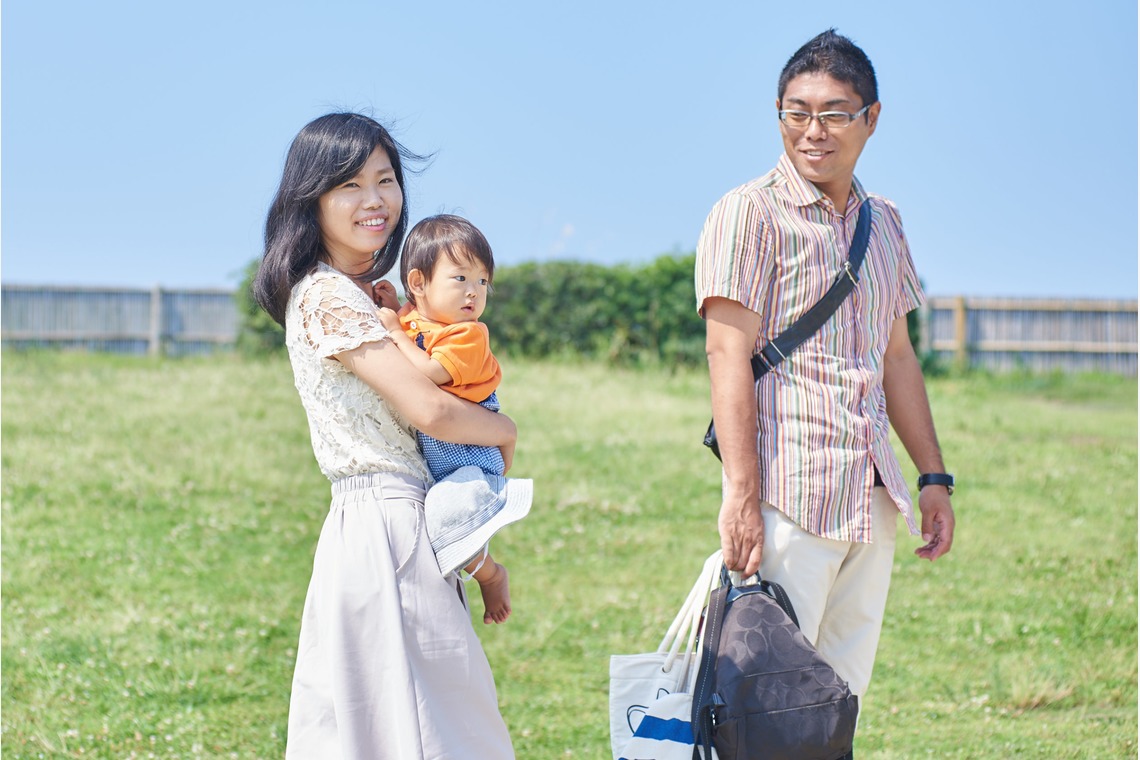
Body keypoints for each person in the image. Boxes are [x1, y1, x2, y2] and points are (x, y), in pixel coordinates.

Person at [695, 29, 957, 709]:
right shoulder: (747, 214)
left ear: (871, 119)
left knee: (837, 704)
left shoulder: (885, 223)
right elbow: (726, 354)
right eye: (796, 112)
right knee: (766, 705)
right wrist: (742, 497)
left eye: (835, 113)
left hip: (871, 496)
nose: (813, 131)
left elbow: (897, 354)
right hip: (790, 493)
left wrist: (931, 476)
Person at [253, 112, 515, 759]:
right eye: (350, 186)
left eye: (386, 180)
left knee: (392, 727)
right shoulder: (327, 297)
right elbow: (430, 408)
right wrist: (505, 430)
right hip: (385, 527)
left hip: (387, 525)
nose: (375, 201)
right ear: (310, 200)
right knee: (437, 731)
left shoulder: (365, 295)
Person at [376, 213, 531, 626]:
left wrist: (393, 331)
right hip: (443, 447)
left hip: (470, 448)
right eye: (460, 279)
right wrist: (394, 310)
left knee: (447, 517)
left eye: (482, 282)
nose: (473, 293)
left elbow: (428, 373)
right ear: (419, 283)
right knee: (434, 521)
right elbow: (412, 332)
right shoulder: (419, 319)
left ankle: (491, 574)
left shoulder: (468, 334)